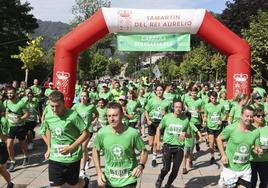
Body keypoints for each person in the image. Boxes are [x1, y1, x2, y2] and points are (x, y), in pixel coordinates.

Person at [92, 102, 148, 188]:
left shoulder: (132, 133)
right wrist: (99, 172)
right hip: (109, 180)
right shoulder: (102, 133)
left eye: (115, 115)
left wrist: (141, 165)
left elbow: (143, 151)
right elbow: (95, 150)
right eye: (109, 116)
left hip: (128, 180)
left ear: (122, 115)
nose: (111, 119)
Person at [42, 90, 89, 188]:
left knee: (73, 185)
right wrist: (49, 147)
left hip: (72, 157)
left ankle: (84, 181)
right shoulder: (48, 115)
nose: (54, 109)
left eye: (57, 106)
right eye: (52, 106)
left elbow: (85, 134)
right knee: (56, 186)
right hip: (55, 157)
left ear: (64, 103)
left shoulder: (73, 115)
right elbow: (48, 130)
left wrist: (71, 148)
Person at [217, 105, 262, 188]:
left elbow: (256, 147)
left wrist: (258, 150)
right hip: (230, 167)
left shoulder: (256, 132)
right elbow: (219, 139)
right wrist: (223, 155)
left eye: (251, 116)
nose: (249, 118)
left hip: (245, 168)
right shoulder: (231, 128)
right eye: (247, 116)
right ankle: (223, 180)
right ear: (241, 115)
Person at [155, 100, 190, 188]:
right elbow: (159, 129)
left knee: (175, 170)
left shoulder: (185, 119)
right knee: (166, 168)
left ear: (182, 108)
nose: (178, 109)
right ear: (173, 108)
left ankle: (168, 185)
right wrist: (158, 142)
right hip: (167, 146)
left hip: (179, 148)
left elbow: (190, 135)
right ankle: (160, 178)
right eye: (176, 107)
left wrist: (185, 134)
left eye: (180, 107)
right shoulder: (167, 117)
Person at [72, 91, 98, 178]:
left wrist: (93, 121)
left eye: (85, 96)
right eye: (81, 96)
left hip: (88, 130)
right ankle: (88, 159)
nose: (83, 98)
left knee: (83, 147)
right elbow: (71, 115)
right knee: (83, 148)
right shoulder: (76, 106)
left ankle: (82, 170)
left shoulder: (91, 106)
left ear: (88, 97)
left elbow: (96, 114)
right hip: (78, 131)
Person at [3, 87, 29, 172]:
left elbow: (27, 114)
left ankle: (26, 156)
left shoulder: (21, 103)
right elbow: (6, 112)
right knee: (9, 145)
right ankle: (13, 162)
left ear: (15, 93)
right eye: (8, 93)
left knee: (22, 143)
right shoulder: (6, 102)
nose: (9, 94)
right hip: (10, 127)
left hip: (20, 127)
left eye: (11, 93)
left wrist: (20, 118)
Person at [145, 85, 171, 167]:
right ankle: (154, 150)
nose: (159, 91)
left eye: (161, 90)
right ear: (155, 91)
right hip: (152, 122)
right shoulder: (151, 100)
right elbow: (146, 110)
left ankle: (154, 159)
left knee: (156, 142)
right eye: (158, 90)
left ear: (163, 91)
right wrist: (148, 120)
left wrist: (165, 114)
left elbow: (169, 114)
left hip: (160, 123)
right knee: (150, 143)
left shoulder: (167, 102)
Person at [203, 91, 225, 164]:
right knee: (211, 142)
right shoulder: (207, 106)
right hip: (210, 127)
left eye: (215, 98)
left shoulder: (221, 106)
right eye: (212, 98)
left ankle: (223, 156)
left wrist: (221, 120)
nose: (214, 100)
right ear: (210, 98)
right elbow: (205, 115)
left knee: (219, 142)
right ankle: (212, 156)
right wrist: (204, 120)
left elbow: (225, 114)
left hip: (218, 127)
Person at [250, 108, 268, 188]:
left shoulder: (266, 128)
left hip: (265, 160)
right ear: (253, 117)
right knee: (252, 182)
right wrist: (255, 149)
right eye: (258, 116)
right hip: (251, 160)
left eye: (263, 116)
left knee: (264, 182)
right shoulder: (249, 129)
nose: (261, 117)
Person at [0, 116, 14, 188]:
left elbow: (7, 137)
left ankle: (10, 183)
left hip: (2, 146)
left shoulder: (3, 121)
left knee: (1, 169)